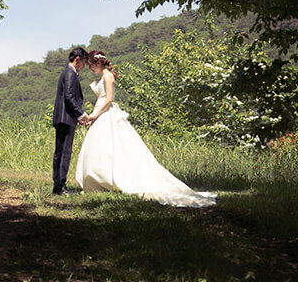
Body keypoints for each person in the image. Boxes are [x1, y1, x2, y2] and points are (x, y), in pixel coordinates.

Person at [74, 49, 216, 207]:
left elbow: (109, 99)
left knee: (110, 148)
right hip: (101, 113)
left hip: (105, 113)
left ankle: (107, 180)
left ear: (99, 63)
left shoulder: (107, 76)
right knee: (102, 148)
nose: (90, 68)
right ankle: (101, 181)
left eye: (91, 65)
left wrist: (95, 115)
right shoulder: (104, 76)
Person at [51, 46, 90, 195]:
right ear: (78, 60)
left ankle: (58, 186)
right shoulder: (70, 74)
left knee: (60, 152)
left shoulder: (66, 73)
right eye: (84, 63)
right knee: (64, 153)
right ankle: (61, 186)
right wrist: (81, 115)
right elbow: (69, 97)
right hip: (65, 118)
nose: (84, 67)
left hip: (64, 117)